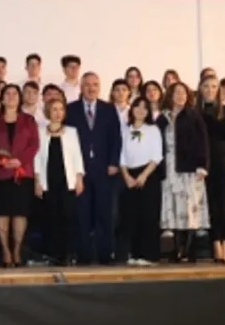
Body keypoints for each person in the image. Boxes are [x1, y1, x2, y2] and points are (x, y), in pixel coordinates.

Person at [65, 73, 122, 265]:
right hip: (79, 171)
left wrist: (114, 162)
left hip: (104, 170)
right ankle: (84, 255)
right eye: (87, 84)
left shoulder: (109, 109)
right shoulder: (70, 109)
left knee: (104, 214)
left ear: (99, 87)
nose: (91, 88)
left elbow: (116, 138)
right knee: (82, 214)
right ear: (81, 87)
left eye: (95, 84)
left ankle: (105, 254)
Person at [0, 84, 39, 267]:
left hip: (22, 173)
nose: (11, 96)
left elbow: (34, 145)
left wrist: (20, 160)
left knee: (20, 214)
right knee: (2, 213)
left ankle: (17, 252)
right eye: (7, 93)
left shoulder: (29, 120)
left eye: (15, 93)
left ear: (20, 98)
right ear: (1, 98)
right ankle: (5, 252)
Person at [157, 82, 208, 262]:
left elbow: (202, 142)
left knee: (189, 208)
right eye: (177, 93)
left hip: (189, 169)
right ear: (170, 95)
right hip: (169, 168)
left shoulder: (193, 115)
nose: (181, 96)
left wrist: (202, 165)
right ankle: (176, 249)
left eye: (184, 93)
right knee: (172, 207)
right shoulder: (162, 117)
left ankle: (189, 249)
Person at [33, 97, 85, 266]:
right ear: (48, 111)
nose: (58, 113)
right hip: (48, 180)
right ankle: (53, 254)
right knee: (51, 217)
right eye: (54, 109)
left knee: (68, 217)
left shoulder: (71, 131)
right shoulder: (40, 131)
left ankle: (68, 253)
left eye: (61, 109)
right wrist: (37, 181)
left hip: (67, 180)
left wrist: (79, 178)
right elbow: (36, 158)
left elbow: (77, 156)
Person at [198, 76, 225, 263]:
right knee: (211, 203)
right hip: (205, 162)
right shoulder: (195, 112)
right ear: (200, 89)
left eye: (214, 86)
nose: (210, 90)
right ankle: (215, 242)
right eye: (206, 86)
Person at [119, 97, 163, 265]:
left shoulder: (153, 129)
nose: (141, 110)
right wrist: (126, 176)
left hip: (148, 174)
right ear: (132, 109)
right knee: (131, 215)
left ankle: (149, 255)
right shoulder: (125, 130)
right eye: (138, 106)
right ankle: (135, 253)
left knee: (148, 215)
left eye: (145, 108)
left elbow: (157, 155)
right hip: (129, 175)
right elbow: (121, 156)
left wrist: (144, 175)